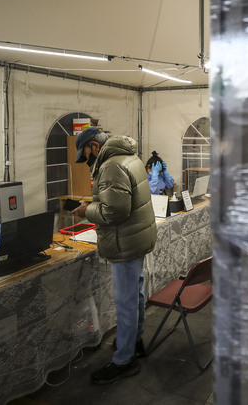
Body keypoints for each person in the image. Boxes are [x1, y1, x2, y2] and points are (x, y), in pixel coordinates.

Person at [70, 126, 157, 384]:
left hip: (124, 243)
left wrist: (87, 210)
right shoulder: (130, 157)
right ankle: (134, 341)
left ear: (95, 147)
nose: (87, 161)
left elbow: (113, 213)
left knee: (126, 301)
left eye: (85, 155)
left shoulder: (110, 166)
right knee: (136, 293)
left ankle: (124, 359)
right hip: (136, 238)